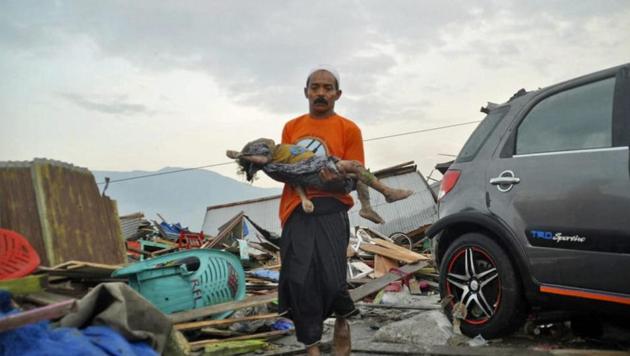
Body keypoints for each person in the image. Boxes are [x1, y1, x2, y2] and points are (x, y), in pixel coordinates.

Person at [275, 66, 366, 356]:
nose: (321, 93)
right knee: (299, 280)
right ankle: (311, 347)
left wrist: (337, 182)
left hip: (331, 210)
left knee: (332, 278)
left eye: (328, 88)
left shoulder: (349, 129)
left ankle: (341, 321)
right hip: (298, 209)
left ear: (338, 95)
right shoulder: (291, 127)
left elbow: (355, 178)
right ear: (306, 93)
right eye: (315, 87)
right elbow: (286, 167)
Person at [226, 138, 413, 224]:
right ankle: (388, 193)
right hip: (315, 169)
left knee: (360, 175)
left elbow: (292, 177)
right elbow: (293, 179)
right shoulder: (272, 165)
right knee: (355, 166)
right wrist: (241, 155)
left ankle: (366, 208)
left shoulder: (279, 152)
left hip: (317, 164)